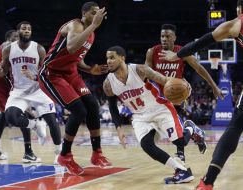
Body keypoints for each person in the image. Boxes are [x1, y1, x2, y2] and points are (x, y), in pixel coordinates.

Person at [159, 0, 243, 189]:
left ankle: (208, 181)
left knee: (235, 127)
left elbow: (203, 41)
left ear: (239, 9)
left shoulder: (236, 23)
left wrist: (178, 55)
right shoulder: (152, 53)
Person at [103, 45, 198, 184]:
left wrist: (182, 86)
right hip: (139, 117)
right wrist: (119, 129)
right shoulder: (108, 84)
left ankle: (190, 127)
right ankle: (182, 171)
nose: (108, 61)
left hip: (160, 108)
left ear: (122, 58)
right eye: (107, 58)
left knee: (180, 141)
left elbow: (164, 80)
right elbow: (112, 107)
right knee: (147, 146)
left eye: (112, 57)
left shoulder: (139, 70)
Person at [38, 1, 111, 175]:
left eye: (97, 13)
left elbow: (77, 59)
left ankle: (97, 153)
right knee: (79, 111)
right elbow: (71, 48)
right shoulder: (75, 25)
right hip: (52, 73)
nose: (96, 16)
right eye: (93, 13)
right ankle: (65, 155)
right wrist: (93, 25)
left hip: (70, 73)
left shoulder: (90, 34)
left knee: (92, 105)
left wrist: (89, 69)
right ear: (84, 14)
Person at [145, 24, 223, 161]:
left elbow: (199, 68)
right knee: (156, 133)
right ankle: (193, 130)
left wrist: (214, 86)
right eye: (162, 36)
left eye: (167, 36)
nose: (164, 39)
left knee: (177, 125)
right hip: (158, 96)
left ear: (174, 38)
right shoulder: (152, 52)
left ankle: (180, 154)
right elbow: (145, 73)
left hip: (176, 93)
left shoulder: (181, 52)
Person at [0, 21, 62, 164]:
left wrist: (35, 76)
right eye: (24, 29)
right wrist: (0, 71)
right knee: (10, 116)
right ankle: (35, 125)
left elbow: (47, 72)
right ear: (18, 32)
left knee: (51, 120)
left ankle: (59, 153)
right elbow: (4, 70)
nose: (27, 31)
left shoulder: (39, 49)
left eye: (29, 29)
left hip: (38, 89)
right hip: (19, 91)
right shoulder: (8, 49)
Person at [0, 30, 41, 163]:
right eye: (15, 37)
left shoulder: (9, 49)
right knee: (21, 113)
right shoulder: (8, 46)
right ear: (8, 38)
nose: (18, 39)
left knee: (4, 115)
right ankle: (28, 153)